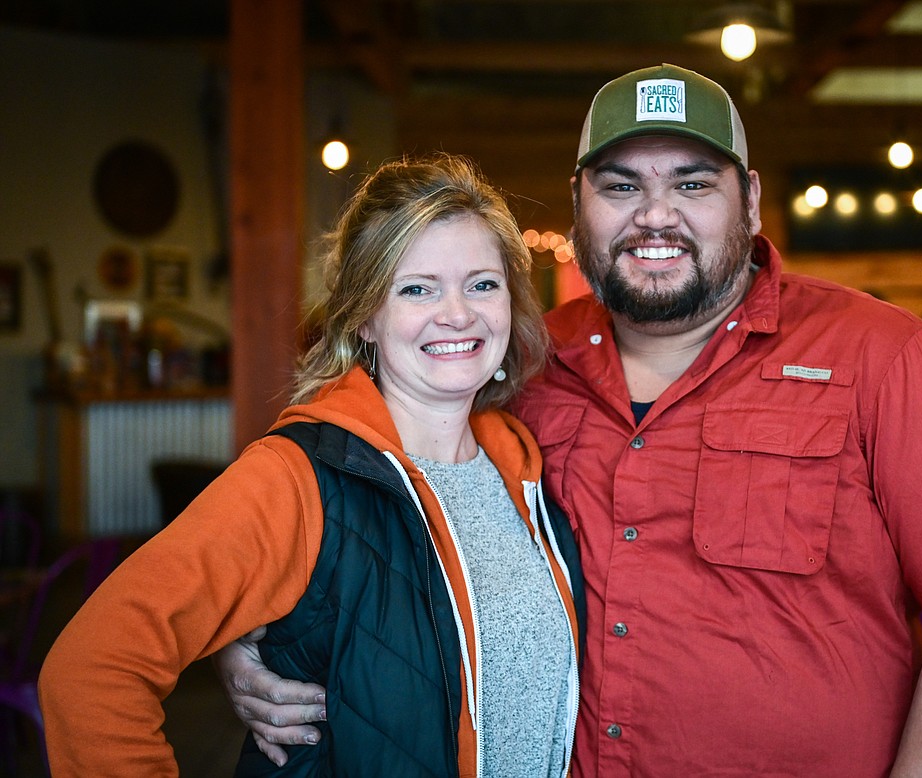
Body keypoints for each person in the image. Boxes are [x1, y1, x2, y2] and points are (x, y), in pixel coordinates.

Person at [218, 65, 922, 776]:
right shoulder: (509, 365)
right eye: (621, 186)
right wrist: (263, 632)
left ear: (751, 200)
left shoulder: (880, 355)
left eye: (692, 184)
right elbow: (365, 505)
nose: (654, 216)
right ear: (579, 203)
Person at [38, 153, 584, 777]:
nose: (457, 313)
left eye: (482, 283)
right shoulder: (295, 477)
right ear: (365, 317)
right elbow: (91, 671)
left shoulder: (524, 470)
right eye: (416, 288)